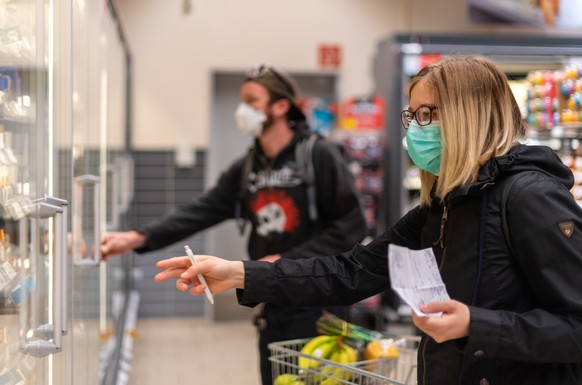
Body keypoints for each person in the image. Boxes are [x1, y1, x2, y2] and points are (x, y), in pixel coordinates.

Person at [154, 55, 582, 385]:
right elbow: (352, 271)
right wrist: (241, 274)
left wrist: (476, 324)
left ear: (470, 115)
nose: (415, 129)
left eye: (428, 114)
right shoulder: (445, 206)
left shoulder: (530, 198)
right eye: (412, 116)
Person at [100, 64, 367, 385]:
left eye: (252, 101)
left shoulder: (319, 155)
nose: (242, 110)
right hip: (273, 297)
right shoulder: (248, 166)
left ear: (281, 107)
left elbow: (350, 227)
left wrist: (285, 261)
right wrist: (137, 237)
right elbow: (203, 210)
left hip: (319, 302)